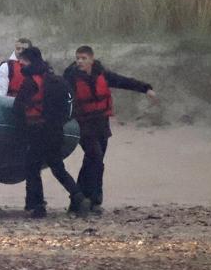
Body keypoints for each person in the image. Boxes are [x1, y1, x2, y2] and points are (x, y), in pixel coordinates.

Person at [62, 45, 156, 214]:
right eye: (78, 58)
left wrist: (145, 88)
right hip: (83, 125)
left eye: (83, 58)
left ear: (91, 59)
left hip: (101, 124)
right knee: (95, 157)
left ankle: (85, 201)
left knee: (93, 162)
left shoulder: (102, 74)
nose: (80, 61)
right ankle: (86, 200)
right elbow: (61, 97)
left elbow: (124, 82)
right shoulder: (71, 77)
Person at [14, 46, 87, 218]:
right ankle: (78, 196)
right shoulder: (55, 79)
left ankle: (37, 205)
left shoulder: (30, 81)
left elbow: (18, 107)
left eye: (23, 60)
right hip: (56, 131)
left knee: (32, 167)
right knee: (57, 167)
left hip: (37, 131)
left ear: (30, 61)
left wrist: (21, 130)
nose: (20, 63)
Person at [0, 37, 32, 214]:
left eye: (24, 49)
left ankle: (31, 201)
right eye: (18, 48)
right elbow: (0, 94)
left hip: (30, 120)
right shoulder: (7, 67)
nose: (20, 51)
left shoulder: (37, 70)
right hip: (10, 118)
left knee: (30, 162)